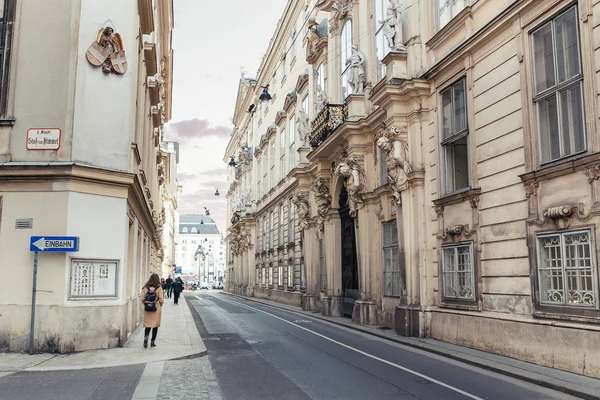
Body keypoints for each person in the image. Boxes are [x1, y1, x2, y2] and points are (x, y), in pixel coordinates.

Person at [141, 273, 164, 348]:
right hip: (156, 309)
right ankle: (152, 341)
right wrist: (159, 304)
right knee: (155, 326)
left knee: (148, 325)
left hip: (148, 309)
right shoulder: (159, 288)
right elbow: (161, 299)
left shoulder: (145, 288)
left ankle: (146, 338)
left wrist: (147, 304)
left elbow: (142, 299)